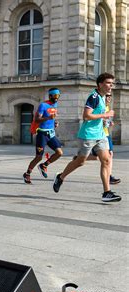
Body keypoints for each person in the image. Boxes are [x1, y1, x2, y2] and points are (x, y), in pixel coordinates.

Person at [53, 73, 121, 202]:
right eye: (108, 83)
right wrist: (106, 115)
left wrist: (106, 120)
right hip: (88, 135)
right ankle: (60, 177)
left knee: (106, 160)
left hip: (100, 134)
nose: (111, 86)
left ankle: (107, 193)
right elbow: (86, 116)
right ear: (100, 84)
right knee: (80, 162)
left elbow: (98, 115)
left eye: (112, 83)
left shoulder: (103, 97)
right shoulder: (93, 97)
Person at [23, 88, 63, 184]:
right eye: (55, 96)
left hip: (51, 134)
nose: (57, 98)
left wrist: (54, 123)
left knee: (59, 153)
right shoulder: (43, 105)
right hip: (42, 134)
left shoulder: (55, 105)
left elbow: (51, 119)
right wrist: (49, 117)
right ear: (50, 96)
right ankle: (27, 174)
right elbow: (37, 119)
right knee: (38, 157)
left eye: (58, 96)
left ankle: (44, 165)